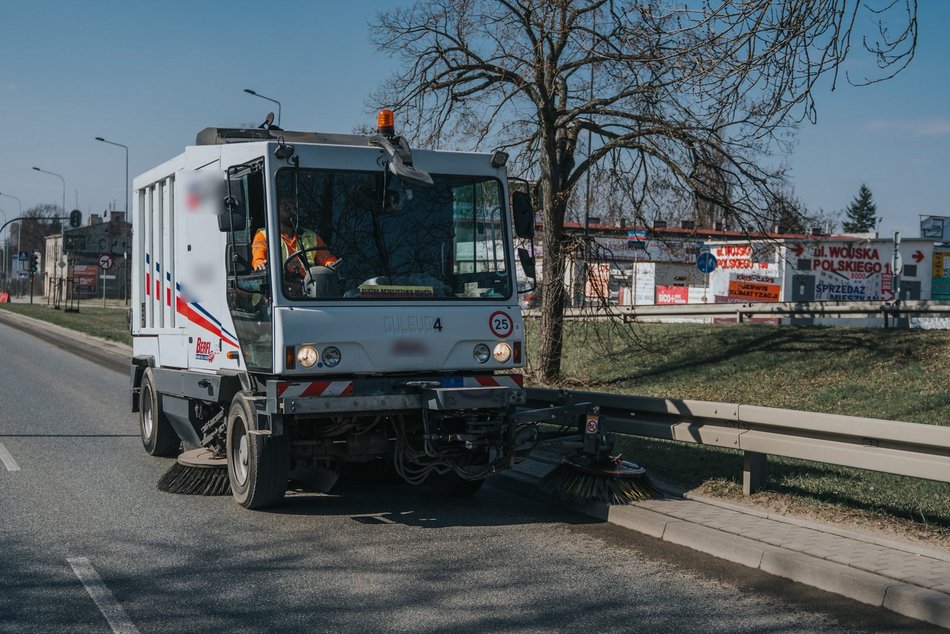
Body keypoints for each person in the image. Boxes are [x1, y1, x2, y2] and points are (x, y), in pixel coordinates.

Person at [251, 190, 337, 274]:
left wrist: (331, 263)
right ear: (275, 209)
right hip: (279, 286)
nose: (292, 211)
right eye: (286, 207)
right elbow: (259, 254)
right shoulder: (264, 235)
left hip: (308, 285)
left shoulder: (311, 236)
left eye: (294, 207)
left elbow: (326, 258)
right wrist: (259, 262)